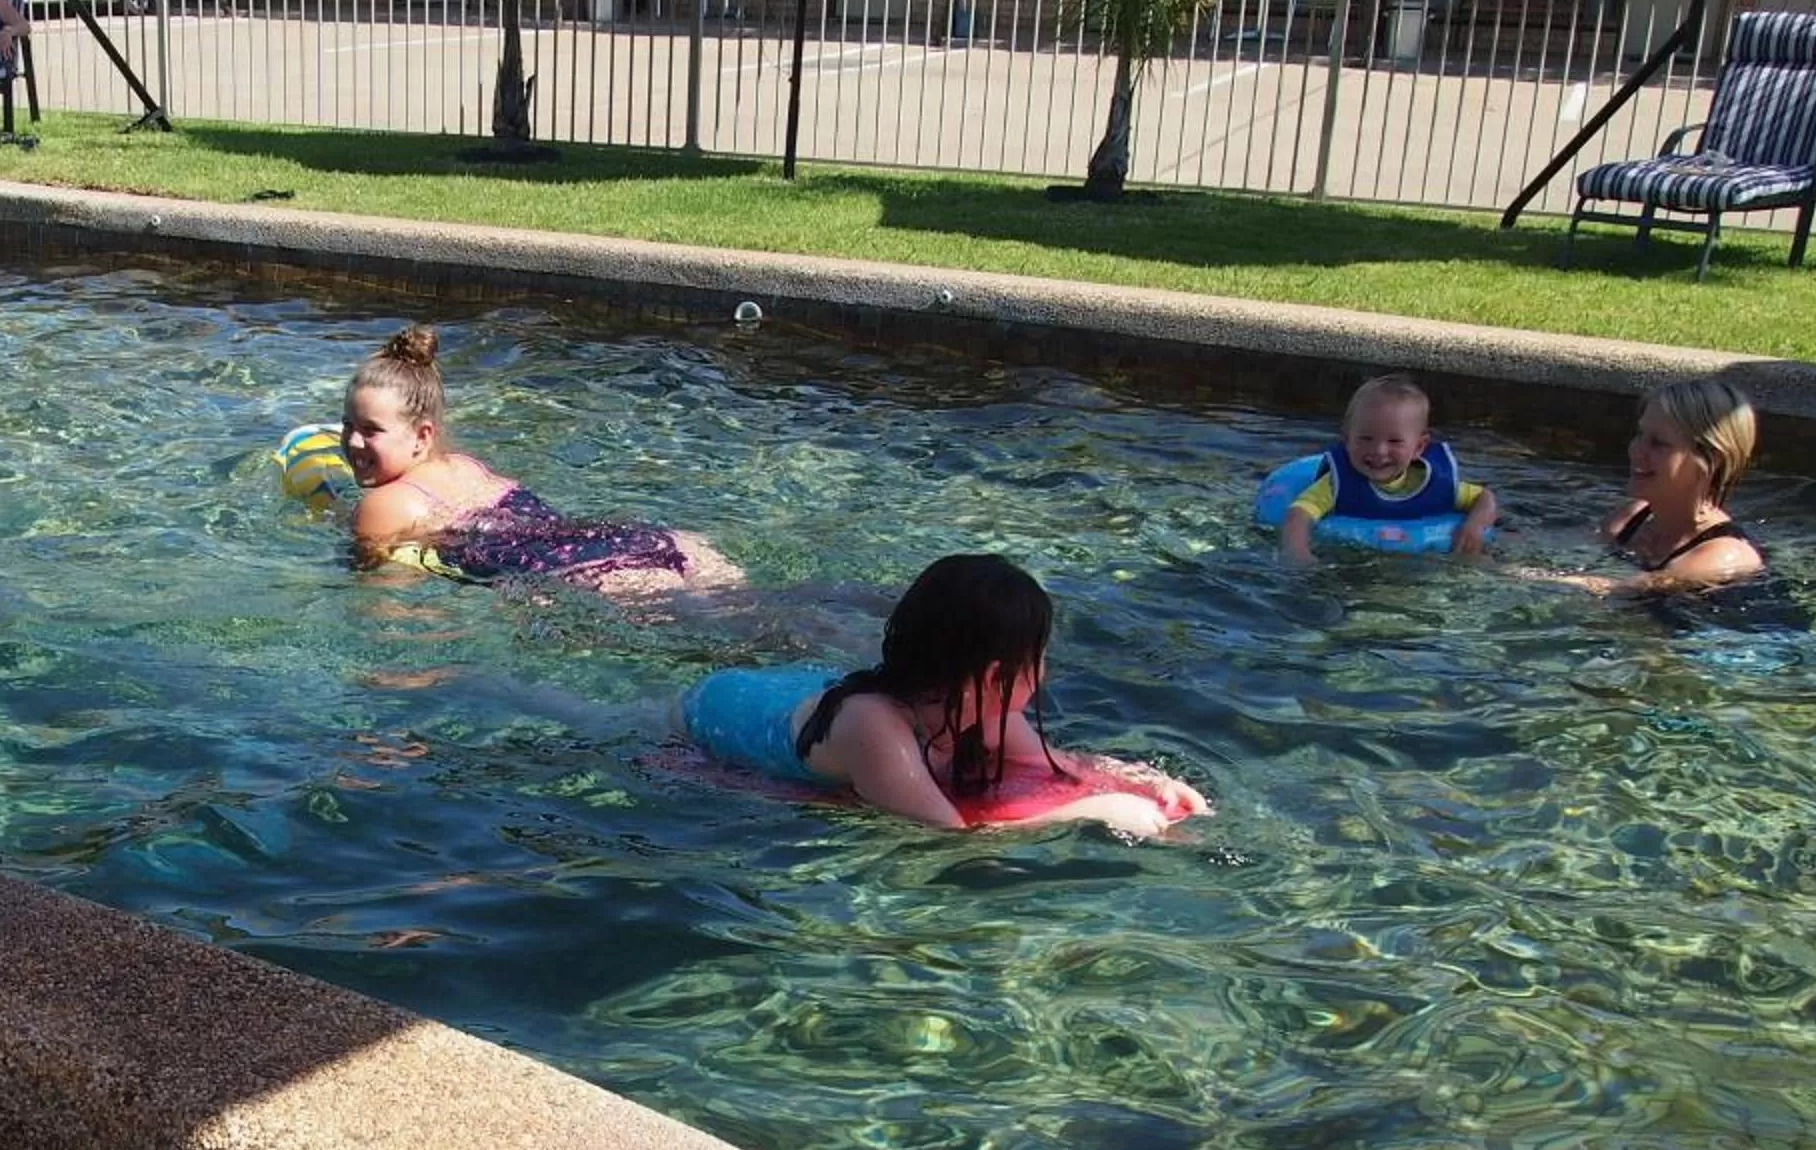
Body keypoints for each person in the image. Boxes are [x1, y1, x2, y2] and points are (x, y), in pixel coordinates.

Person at [679, 553, 1209, 835]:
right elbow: (940, 832)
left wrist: (1147, 783)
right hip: (723, 711)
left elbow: (1059, 764)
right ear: (995, 673)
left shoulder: (984, 706)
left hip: (806, 687)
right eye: (1039, 654)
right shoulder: (873, 727)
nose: (1046, 669)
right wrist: (1089, 813)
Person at [341, 325, 740, 593]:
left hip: (590, 579)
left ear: (422, 435)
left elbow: (386, 601)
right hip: (646, 539)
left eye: (371, 430)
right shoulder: (463, 466)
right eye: (347, 426)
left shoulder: (383, 504)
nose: (353, 442)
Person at [1531, 377, 1805, 631]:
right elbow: (1560, 550)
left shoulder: (1722, 555)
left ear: (1711, 459)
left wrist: (1503, 572)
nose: (1636, 451)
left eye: (1658, 444)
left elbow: (1615, 591)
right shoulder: (1631, 519)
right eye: (1640, 435)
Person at [1277, 374, 1500, 564]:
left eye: (1394, 441)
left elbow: (1484, 497)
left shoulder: (1434, 481)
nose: (1379, 451)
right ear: (1347, 440)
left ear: (1418, 447)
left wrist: (1474, 526)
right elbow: (1299, 514)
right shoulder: (1337, 484)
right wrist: (1298, 553)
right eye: (1366, 438)